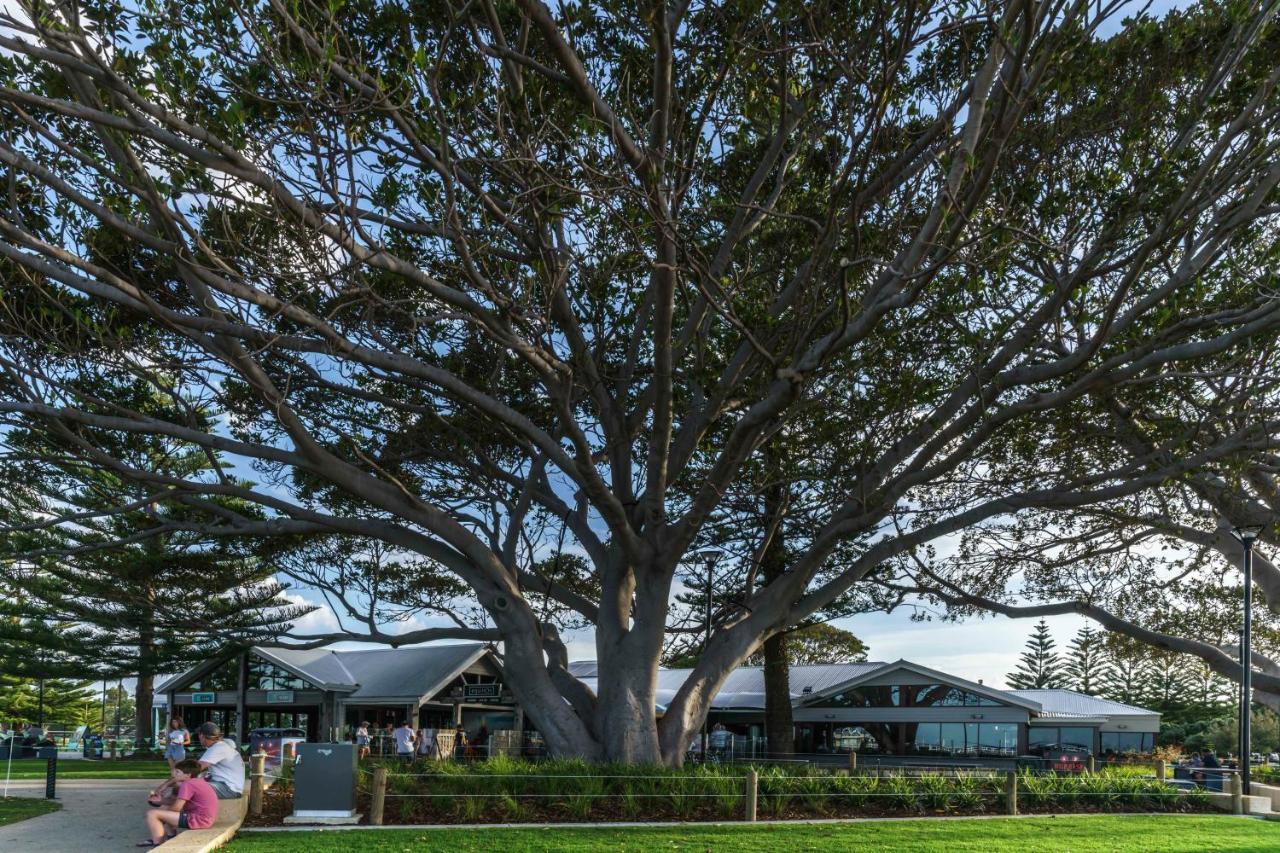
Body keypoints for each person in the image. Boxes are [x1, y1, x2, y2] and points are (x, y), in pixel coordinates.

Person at [140, 759, 217, 848]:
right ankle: (170, 838)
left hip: (199, 820)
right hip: (204, 818)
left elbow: (176, 808)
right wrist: (161, 800)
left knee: (152, 814)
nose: (174, 774)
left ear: (188, 775)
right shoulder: (197, 781)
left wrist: (162, 815)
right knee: (164, 810)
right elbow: (178, 803)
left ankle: (158, 845)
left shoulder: (188, 784)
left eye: (177, 772)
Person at [194, 722, 244, 799]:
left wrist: (171, 781)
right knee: (193, 783)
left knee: (190, 786)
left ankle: (178, 810)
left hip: (229, 788)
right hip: (228, 786)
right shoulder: (220, 745)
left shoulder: (218, 747)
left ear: (202, 736)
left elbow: (195, 768)